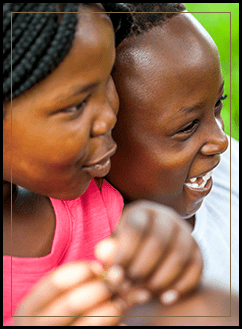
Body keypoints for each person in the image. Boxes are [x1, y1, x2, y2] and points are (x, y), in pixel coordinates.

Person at [3, 3, 204, 326]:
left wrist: (155, 231)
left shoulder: (93, 204)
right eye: (77, 103)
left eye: (106, 78)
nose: (110, 115)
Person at [104, 1, 239, 320]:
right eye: (187, 127)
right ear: (101, 137)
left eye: (217, 106)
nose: (220, 140)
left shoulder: (230, 171)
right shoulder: (103, 265)